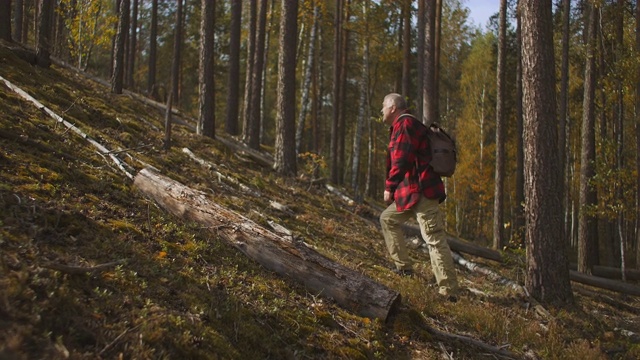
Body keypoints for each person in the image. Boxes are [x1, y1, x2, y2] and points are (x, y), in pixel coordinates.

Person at [378, 93, 459, 300]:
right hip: (410, 193)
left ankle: (448, 291)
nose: (381, 111)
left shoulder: (406, 125)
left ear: (393, 107)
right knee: (388, 219)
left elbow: (402, 159)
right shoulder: (402, 126)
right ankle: (404, 268)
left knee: (433, 238)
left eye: (383, 107)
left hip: (422, 191)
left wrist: (390, 186)